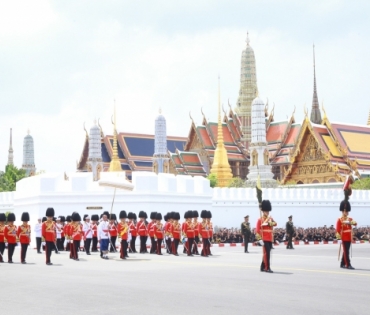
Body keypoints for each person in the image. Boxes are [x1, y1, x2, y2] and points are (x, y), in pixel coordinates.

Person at [256, 200, 277, 273]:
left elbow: (275, 223)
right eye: (266, 211)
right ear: (263, 211)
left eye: (268, 211)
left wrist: (269, 223)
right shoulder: (260, 220)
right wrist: (259, 239)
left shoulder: (270, 218)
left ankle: (262, 266)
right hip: (264, 238)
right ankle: (267, 268)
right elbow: (257, 230)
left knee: (266, 253)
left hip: (270, 238)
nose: (267, 212)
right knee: (267, 253)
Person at [336, 199, 357, 269]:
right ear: (342, 211)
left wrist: (349, 222)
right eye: (345, 211)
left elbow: (355, 223)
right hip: (343, 238)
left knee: (346, 251)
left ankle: (342, 263)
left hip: (349, 237)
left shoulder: (350, 218)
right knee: (346, 252)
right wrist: (338, 238)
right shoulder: (339, 219)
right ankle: (348, 264)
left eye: (347, 211)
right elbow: (338, 230)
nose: (346, 212)